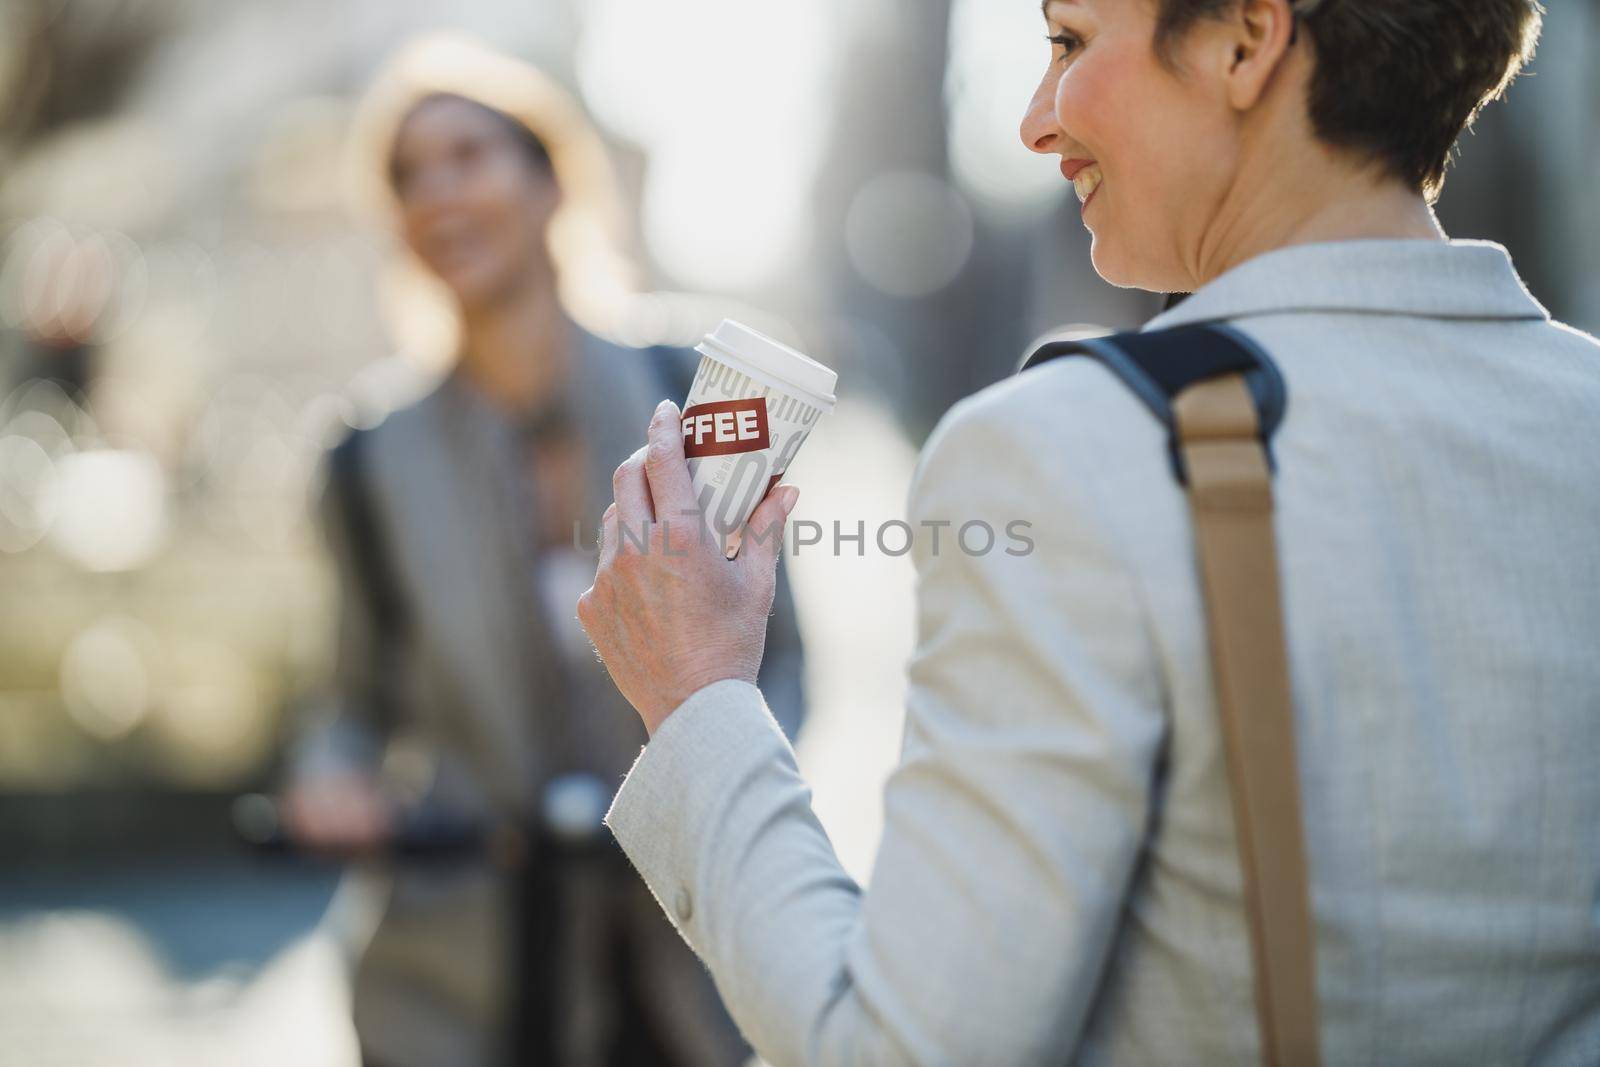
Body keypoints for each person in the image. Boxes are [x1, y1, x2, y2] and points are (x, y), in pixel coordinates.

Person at [578, 1, 1600, 1064]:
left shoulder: (1072, 446)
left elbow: (900, 1049)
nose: (1033, 121)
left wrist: (697, 695)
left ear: (1245, 42)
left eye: (1068, 42)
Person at [281, 36, 804, 1067]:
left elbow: (782, 663)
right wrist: (327, 776)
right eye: (404, 175)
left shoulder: (694, 394)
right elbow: (352, 704)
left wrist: (705, 808)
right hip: (456, 985)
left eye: (467, 155)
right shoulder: (364, 459)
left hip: (689, 969)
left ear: (550, 176)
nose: (435, 194)